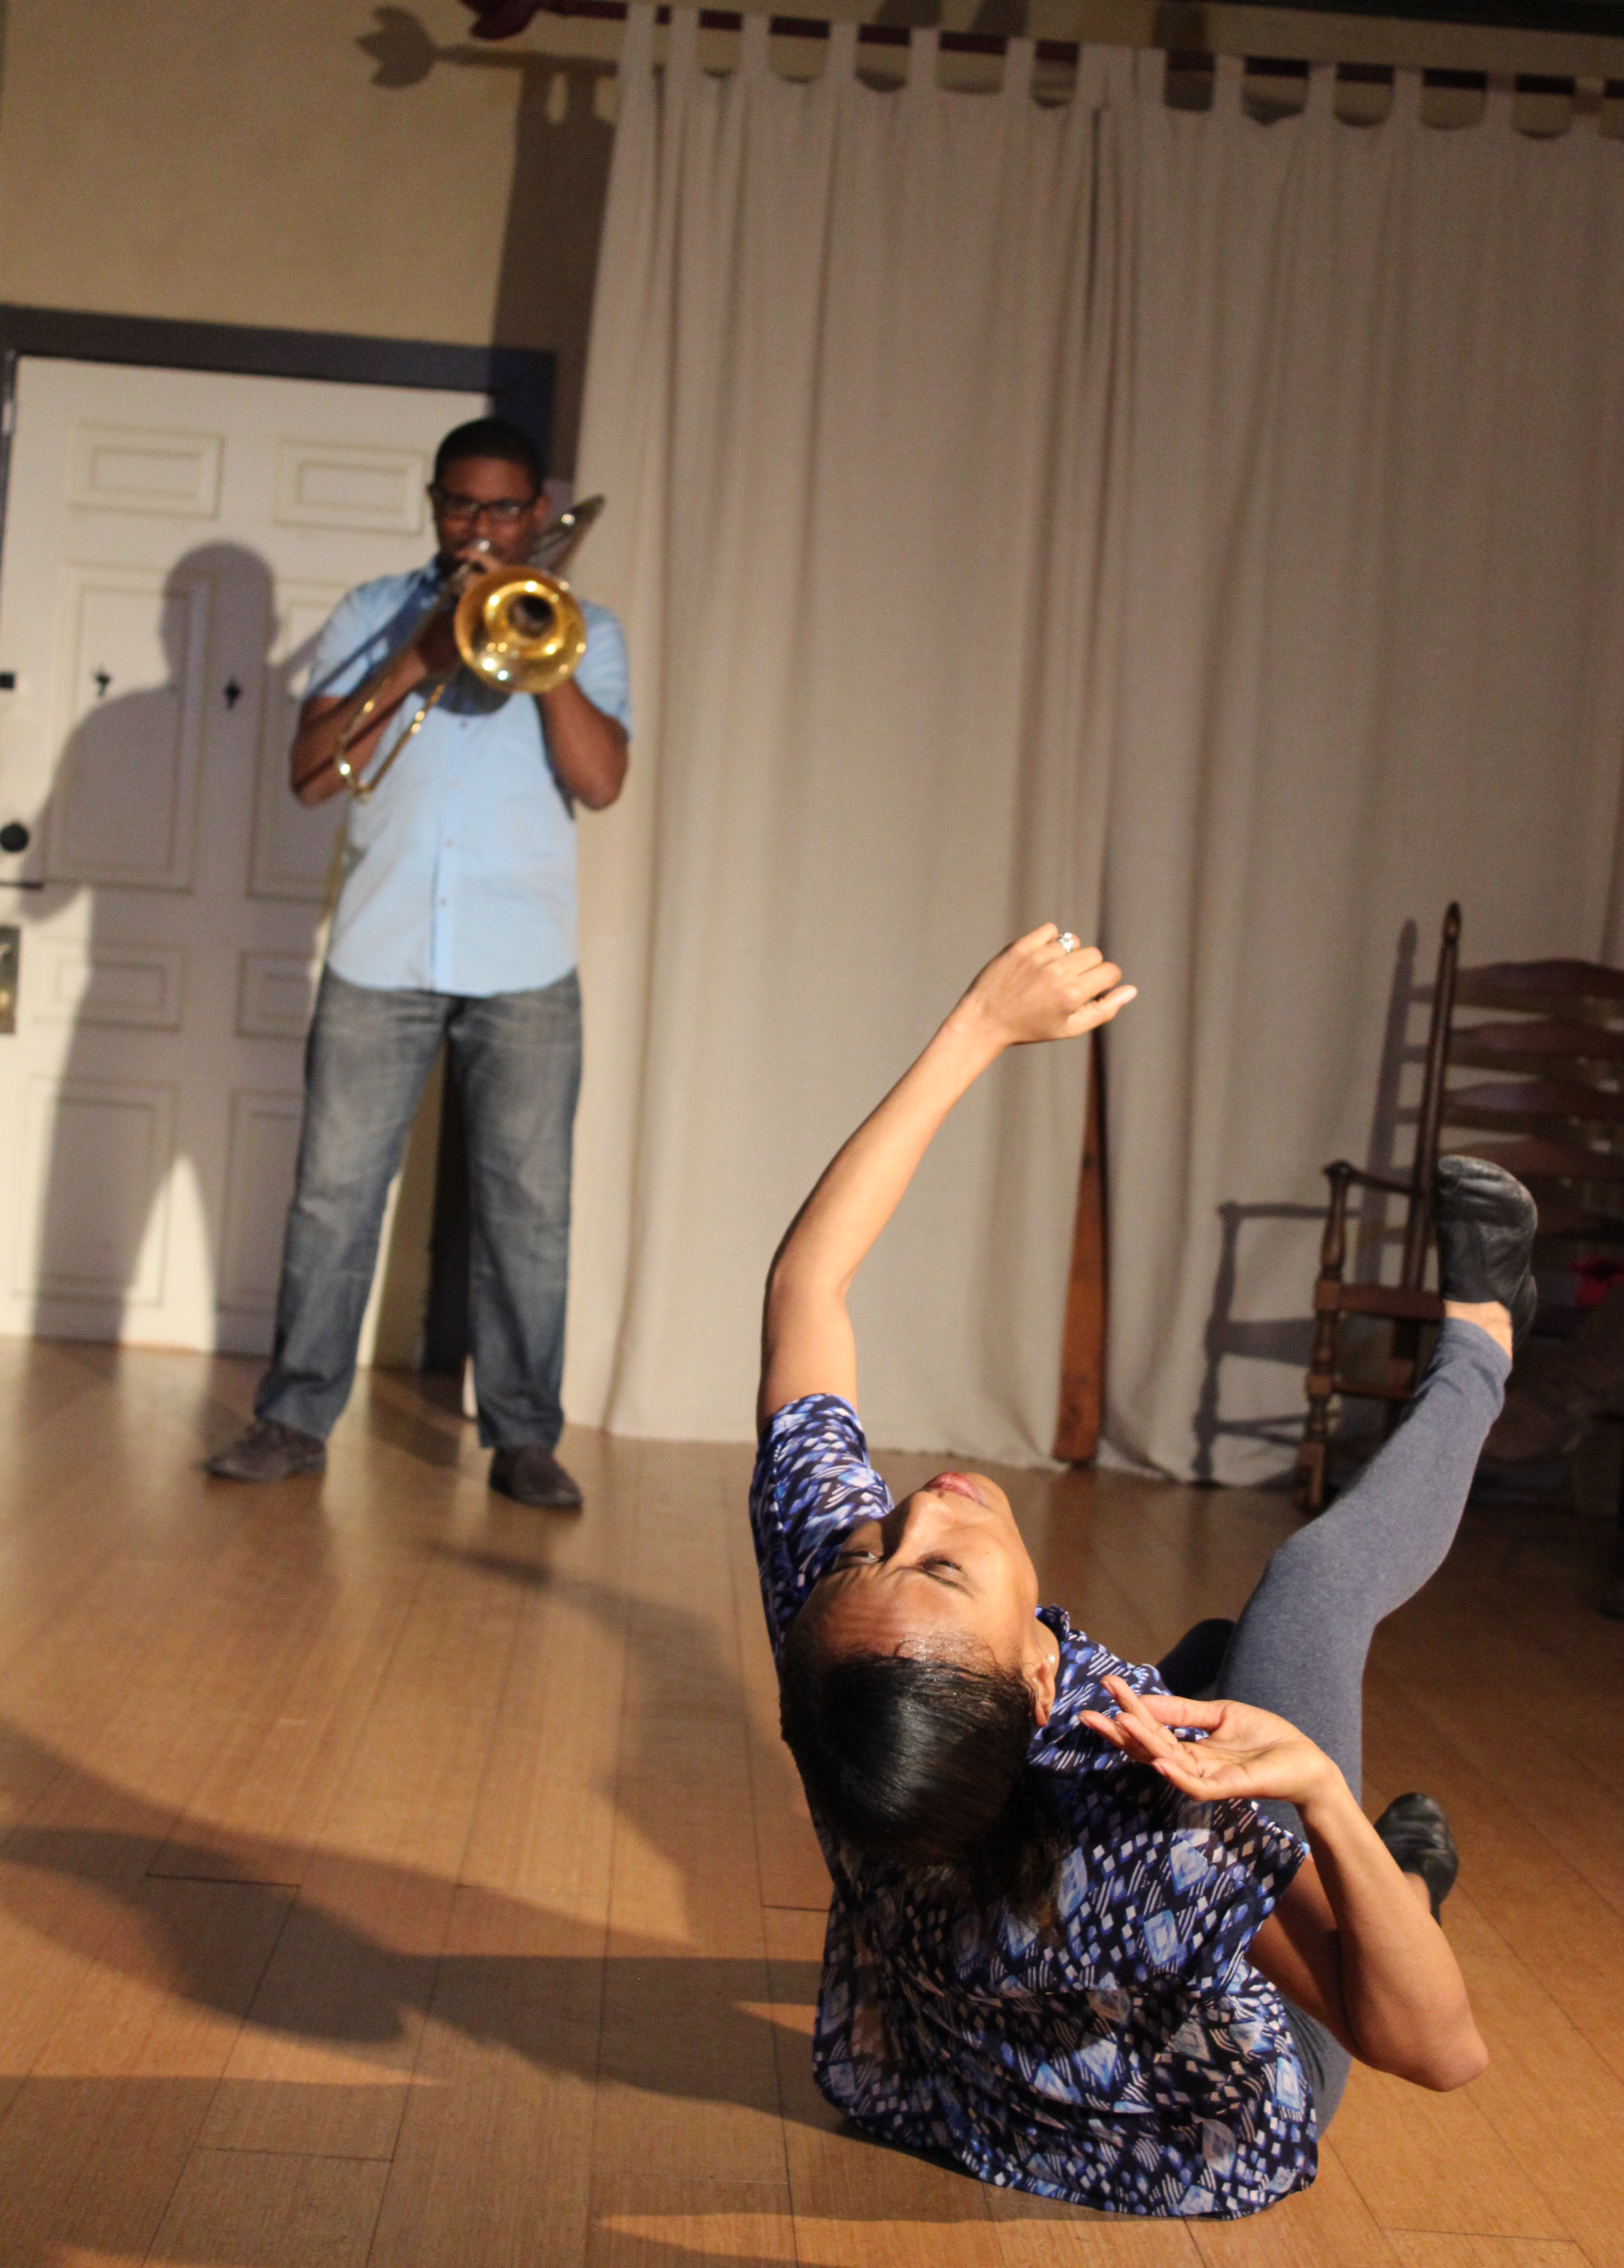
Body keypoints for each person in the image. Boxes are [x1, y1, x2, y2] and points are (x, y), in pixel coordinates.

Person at [750, 926, 1531, 2218]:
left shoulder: (849, 1663)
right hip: (1211, 2132)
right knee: (1311, 1592)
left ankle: (1383, 1881)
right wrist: (1321, 1801)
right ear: (1031, 1686)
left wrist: (981, 1027)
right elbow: (1438, 2054)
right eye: (943, 1571)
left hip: (955, 2096)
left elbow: (805, 1284)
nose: (921, 1507)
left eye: (885, 1544)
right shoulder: (1146, 1817)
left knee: (1223, 1655)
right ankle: (1487, 1343)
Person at [209, 417, 629, 1509]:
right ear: (434, 504)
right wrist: (417, 659)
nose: (480, 527)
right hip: (381, 950)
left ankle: (524, 1440)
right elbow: (312, 776)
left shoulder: (585, 629)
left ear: (539, 512)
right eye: (461, 505)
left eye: (503, 508)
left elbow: (601, 782)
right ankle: (293, 1420)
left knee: (527, 1212)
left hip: (524, 964)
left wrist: (537, 652)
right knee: (333, 1199)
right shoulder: (370, 613)